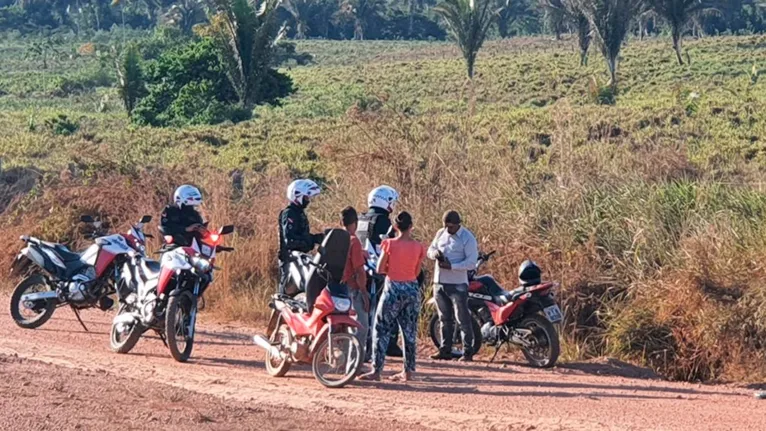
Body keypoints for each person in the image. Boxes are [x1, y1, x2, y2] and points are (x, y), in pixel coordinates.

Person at [359, 212, 425, 382]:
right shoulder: (418, 247)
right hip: (411, 289)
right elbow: (417, 272)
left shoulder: (388, 244)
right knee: (409, 332)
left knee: (381, 329)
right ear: (411, 227)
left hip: (393, 288)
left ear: (395, 227)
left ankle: (376, 370)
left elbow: (380, 268)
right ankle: (408, 371)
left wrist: (392, 270)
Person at [356, 185, 406, 358]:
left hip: (360, 269)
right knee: (386, 309)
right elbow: (390, 246)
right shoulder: (383, 221)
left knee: (363, 310)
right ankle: (385, 345)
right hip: (378, 271)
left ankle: (363, 345)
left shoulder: (361, 218)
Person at [428, 210, 479, 362]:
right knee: (444, 318)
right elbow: (429, 250)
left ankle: (468, 352)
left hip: (457, 284)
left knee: (462, 319)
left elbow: (471, 263)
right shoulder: (440, 233)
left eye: (450, 227)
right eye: (445, 226)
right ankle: (445, 349)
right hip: (439, 282)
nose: (447, 230)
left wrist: (452, 266)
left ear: (458, 224)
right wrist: (435, 253)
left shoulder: (467, 238)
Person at [278, 179, 324, 295]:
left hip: (301, 259)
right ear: (297, 195)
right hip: (291, 260)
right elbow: (290, 240)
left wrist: (317, 238)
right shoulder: (289, 213)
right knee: (285, 296)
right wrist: (311, 241)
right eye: (306, 197)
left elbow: (302, 235)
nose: (308, 200)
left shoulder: (299, 213)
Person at [340, 207, 370, 368]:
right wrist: (364, 292)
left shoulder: (334, 238)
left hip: (337, 289)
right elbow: (359, 269)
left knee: (343, 326)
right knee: (361, 326)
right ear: (356, 223)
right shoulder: (354, 241)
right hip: (353, 289)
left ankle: (342, 360)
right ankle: (355, 363)